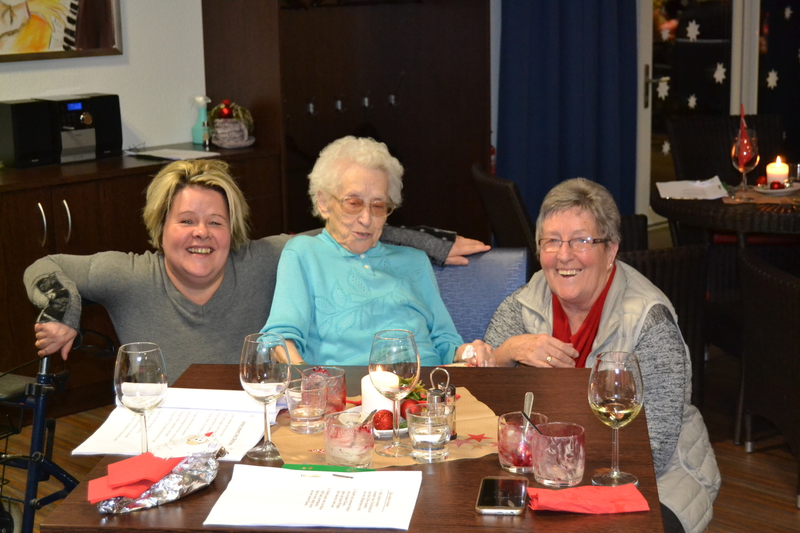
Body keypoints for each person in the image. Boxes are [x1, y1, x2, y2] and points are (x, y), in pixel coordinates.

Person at [24, 158, 489, 381]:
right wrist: (63, 310)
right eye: (186, 221)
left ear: (233, 230)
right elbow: (45, 264)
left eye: (215, 222)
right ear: (159, 225)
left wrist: (432, 243)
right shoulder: (127, 275)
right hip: (161, 431)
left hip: (249, 428)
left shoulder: (266, 257)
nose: (201, 234)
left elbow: (347, 229)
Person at [481, 178, 719, 533]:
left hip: (654, 478)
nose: (564, 255)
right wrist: (507, 351)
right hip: (549, 475)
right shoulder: (525, 302)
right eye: (552, 241)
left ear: (611, 252)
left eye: (581, 240)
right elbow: (484, 400)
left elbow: (654, 448)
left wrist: (563, 474)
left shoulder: (648, 319)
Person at [262, 136, 492, 366]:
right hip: (350, 385)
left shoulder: (415, 261)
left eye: (378, 206)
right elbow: (280, 339)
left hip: (427, 381)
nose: (366, 219)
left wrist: (470, 353)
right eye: (353, 203)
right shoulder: (305, 253)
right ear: (323, 202)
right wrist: (308, 378)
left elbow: (447, 343)